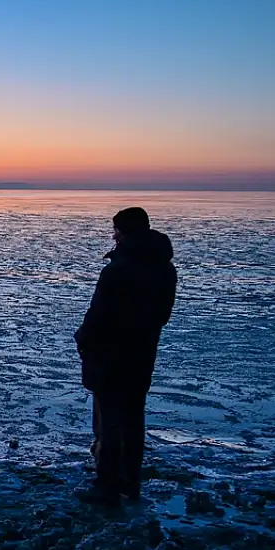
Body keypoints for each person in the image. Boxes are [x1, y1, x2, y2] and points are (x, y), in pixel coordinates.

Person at [74, 206, 177, 504]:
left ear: (125, 233)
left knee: (109, 420)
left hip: (111, 354)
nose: (113, 236)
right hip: (143, 352)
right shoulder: (165, 269)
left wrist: (83, 338)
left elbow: (99, 313)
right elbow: (163, 315)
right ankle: (130, 483)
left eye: (116, 230)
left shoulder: (117, 270)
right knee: (133, 419)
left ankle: (106, 486)